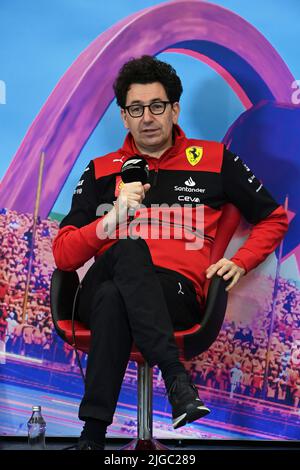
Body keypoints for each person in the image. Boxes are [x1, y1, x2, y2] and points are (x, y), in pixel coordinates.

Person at [52, 55, 288, 449]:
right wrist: (113, 220)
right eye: (136, 109)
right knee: (125, 251)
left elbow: (274, 219)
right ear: (124, 117)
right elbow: (63, 256)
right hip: (100, 284)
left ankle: (92, 438)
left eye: (157, 106)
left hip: (175, 294)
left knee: (116, 296)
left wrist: (240, 261)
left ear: (174, 109)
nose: (147, 118)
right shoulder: (100, 170)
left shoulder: (214, 160)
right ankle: (176, 379)